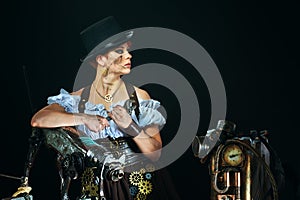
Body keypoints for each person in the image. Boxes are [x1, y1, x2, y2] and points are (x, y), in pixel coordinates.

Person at [30, 16, 181, 200]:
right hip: (98, 190)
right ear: (101, 59)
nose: (129, 55)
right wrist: (84, 118)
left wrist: (130, 126)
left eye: (127, 50)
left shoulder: (139, 97)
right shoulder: (78, 99)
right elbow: (39, 119)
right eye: (120, 51)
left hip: (139, 187)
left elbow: (155, 153)